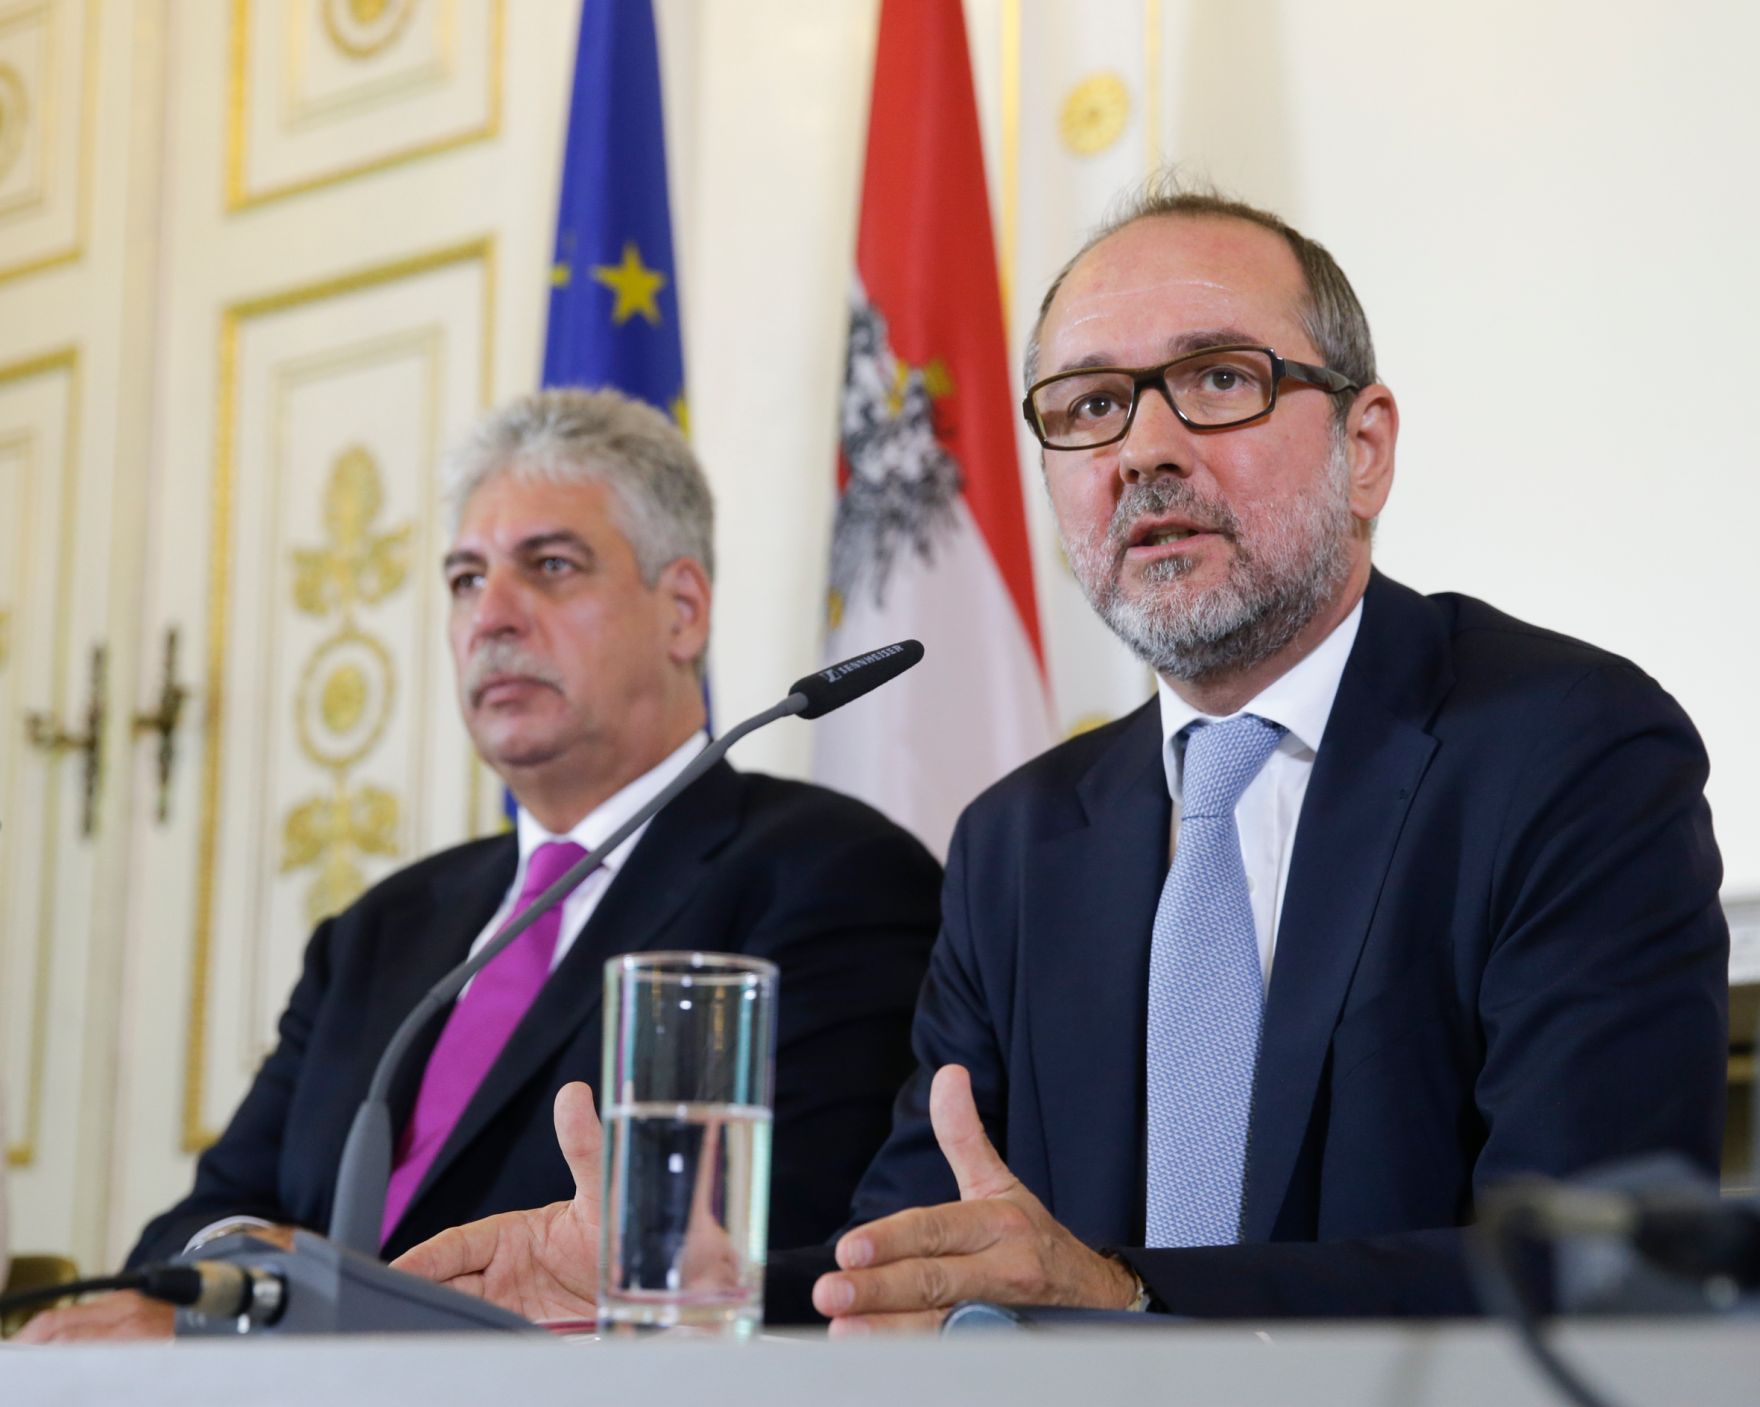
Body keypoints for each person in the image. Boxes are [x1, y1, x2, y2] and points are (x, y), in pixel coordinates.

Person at [394, 182, 1728, 1329]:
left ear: (1364, 447)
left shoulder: (1567, 750)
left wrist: (1133, 1303)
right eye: (1088, 405)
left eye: (1218, 380)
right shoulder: (1020, 840)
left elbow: (1598, 1261)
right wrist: (699, 1288)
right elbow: (925, 1252)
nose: (1144, 448)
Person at [19, 388, 940, 1343]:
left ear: (683, 612)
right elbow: (197, 1225)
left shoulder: (832, 878)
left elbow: (808, 1257)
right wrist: (245, 1275)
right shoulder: (382, 927)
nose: (491, 614)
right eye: (464, 578)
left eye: (550, 565)